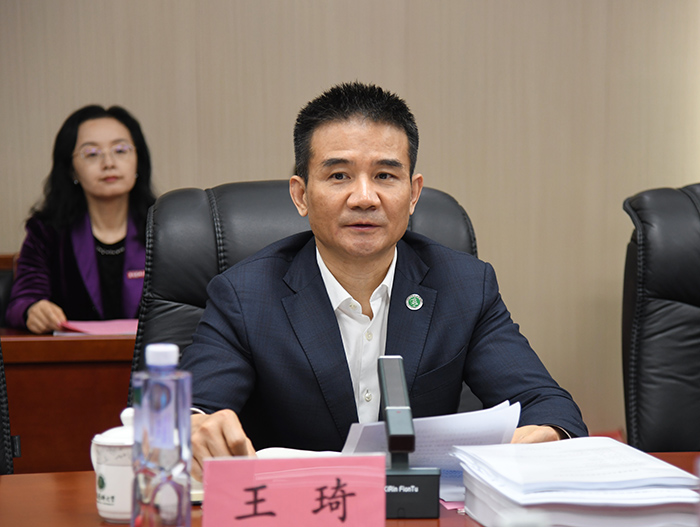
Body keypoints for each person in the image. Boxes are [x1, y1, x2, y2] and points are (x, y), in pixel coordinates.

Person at [181, 82, 587, 480]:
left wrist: (541, 435)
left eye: (385, 176)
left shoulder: (464, 286)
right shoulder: (245, 295)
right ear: (301, 195)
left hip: (420, 508)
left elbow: (550, 408)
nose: (364, 198)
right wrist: (194, 428)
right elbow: (191, 413)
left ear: (413, 193)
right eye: (339, 176)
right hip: (296, 505)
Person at [5, 105, 156, 334]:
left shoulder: (165, 227)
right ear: (71, 170)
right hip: (72, 354)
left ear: (138, 160)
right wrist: (33, 310)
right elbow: (22, 301)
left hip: (152, 356)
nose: (109, 163)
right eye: (92, 154)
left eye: (120, 150)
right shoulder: (46, 232)